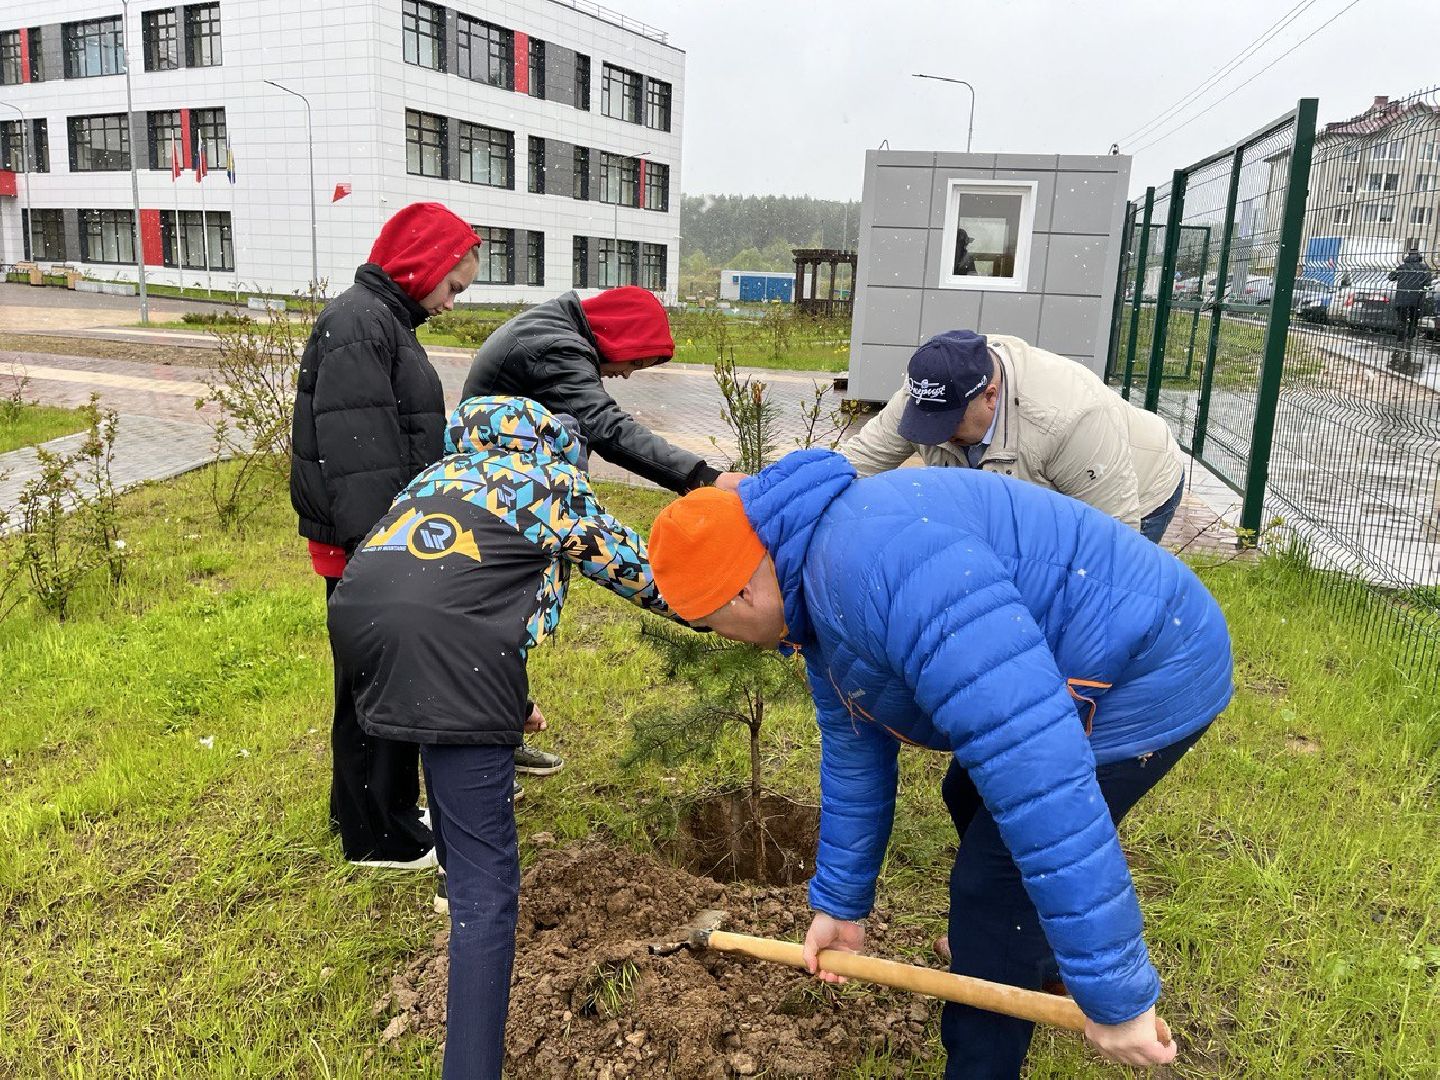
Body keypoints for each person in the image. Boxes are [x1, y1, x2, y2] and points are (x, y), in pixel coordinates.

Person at [647, 448, 1233, 1078]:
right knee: (966, 795)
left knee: (992, 889)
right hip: (1089, 641)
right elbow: (854, 748)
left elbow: (1039, 774)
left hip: (1152, 663)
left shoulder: (880, 571)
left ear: (741, 594)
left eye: (717, 626)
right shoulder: (811, 578)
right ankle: (1034, 962)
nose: (731, 640)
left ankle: (991, 1037)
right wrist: (841, 905)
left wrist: (1116, 996)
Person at [327, 396, 677, 1079]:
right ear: (555, 444)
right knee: (487, 893)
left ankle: (451, 864)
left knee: (453, 771)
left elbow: (451, 588)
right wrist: (750, 613)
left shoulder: (436, 476)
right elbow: (640, 573)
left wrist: (511, 703)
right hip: (446, 650)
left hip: (362, 630)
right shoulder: (549, 481)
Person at [290, 201, 481, 868]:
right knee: (377, 687)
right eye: (453, 286)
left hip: (376, 540)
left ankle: (372, 809)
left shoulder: (382, 320)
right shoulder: (362, 324)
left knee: (377, 681)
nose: (452, 303)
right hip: (367, 545)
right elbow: (361, 459)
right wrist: (388, 558)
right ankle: (377, 837)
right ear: (421, 265)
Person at [842, 330, 1188, 543]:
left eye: (949, 424)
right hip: (1050, 474)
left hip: (1142, 483)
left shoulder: (1066, 417)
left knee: (1085, 598)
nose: (939, 437)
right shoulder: (928, 392)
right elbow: (855, 465)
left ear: (990, 396)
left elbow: (1116, 540)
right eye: (928, 423)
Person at [462, 284, 744, 495]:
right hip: (495, 487)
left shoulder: (554, 324)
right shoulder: (556, 348)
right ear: (623, 334)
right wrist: (702, 477)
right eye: (635, 362)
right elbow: (603, 426)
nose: (627, 374)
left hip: (491, 474)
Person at [1388, 247, 1433, 353]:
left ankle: (1400, 340)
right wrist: (1423, 290)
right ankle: (1410, 339)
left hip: (1402, 298)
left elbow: (1390, 277)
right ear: (1419, 256)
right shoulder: (1424, 268)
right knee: (1413, 320)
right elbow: (1428, 283)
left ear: (1408, 256)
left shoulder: (1402, 267)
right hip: (1416, 299)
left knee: (1401, 320)